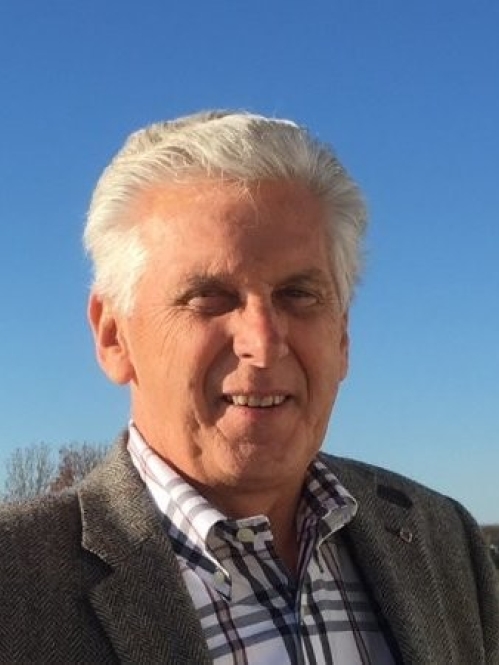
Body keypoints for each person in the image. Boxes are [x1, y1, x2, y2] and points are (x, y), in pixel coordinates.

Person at [1, 111, 498, 665]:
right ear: (114, 336)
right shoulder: (16, 584)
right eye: (208, 297)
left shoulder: (441, 538)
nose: (262, 344)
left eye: (298, 295)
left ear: (343, 337)